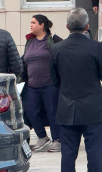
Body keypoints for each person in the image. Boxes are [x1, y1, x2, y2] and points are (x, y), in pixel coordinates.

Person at [50, 7, 102, 172]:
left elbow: (54, 81)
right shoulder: (96, 47)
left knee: (68, 156)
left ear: (67, 26)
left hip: (67, 109)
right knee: (94, 156)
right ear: (87, 26)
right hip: (93, 110)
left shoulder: (56, 49)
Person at [20, 15, 63, 152]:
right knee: (30, 110)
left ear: (42, 25)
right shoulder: (30, 42)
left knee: (52, 112)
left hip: (50, 84)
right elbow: (23, 61)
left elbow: (63, 56)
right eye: (30, 22)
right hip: (32, 85)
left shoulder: (53, 40)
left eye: (33, 22)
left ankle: (57, 140)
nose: (31, 25)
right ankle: (42, 137)